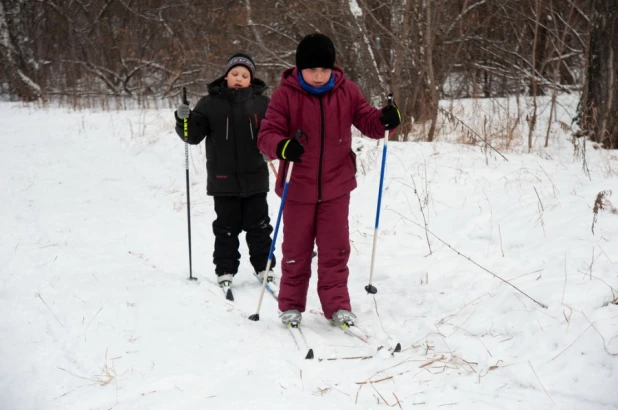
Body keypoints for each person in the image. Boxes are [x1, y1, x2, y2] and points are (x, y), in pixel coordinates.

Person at [257, 33, 401, 327]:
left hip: (336, 186)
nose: (319, 75)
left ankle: (337, 306)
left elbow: (368, 121)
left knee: (335, 250)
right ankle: (291, 305)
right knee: (295, 251)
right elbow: (267, 135)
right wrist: (282, 146)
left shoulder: (347, 91)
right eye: (312, 69)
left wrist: (386, 119)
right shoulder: (286, 95)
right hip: (297, 186)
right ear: (300, 69)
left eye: (324, 69)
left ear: (332, 67)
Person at [174, 53, 276, 291]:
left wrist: (273, 149)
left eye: (244, 75)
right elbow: (192, 136)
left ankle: (265, 266)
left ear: (251, 79)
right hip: (223, 181)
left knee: (259, 226)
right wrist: (183, 120)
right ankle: (225, 270)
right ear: (226, 75)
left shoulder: (263, 104)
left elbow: (274, 132)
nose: (239, 78)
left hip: (255, 178)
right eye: (235, 74)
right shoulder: (209, 104)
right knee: (226, 229)